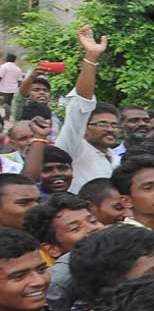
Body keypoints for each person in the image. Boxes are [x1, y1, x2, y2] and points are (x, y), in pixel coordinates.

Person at [56, 26, 121, 193]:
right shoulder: (73, 147)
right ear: (85, 128)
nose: (110, 129)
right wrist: (91, 57)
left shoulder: (116, 158)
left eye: (114, 125)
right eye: (102, 124)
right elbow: (82, 104)